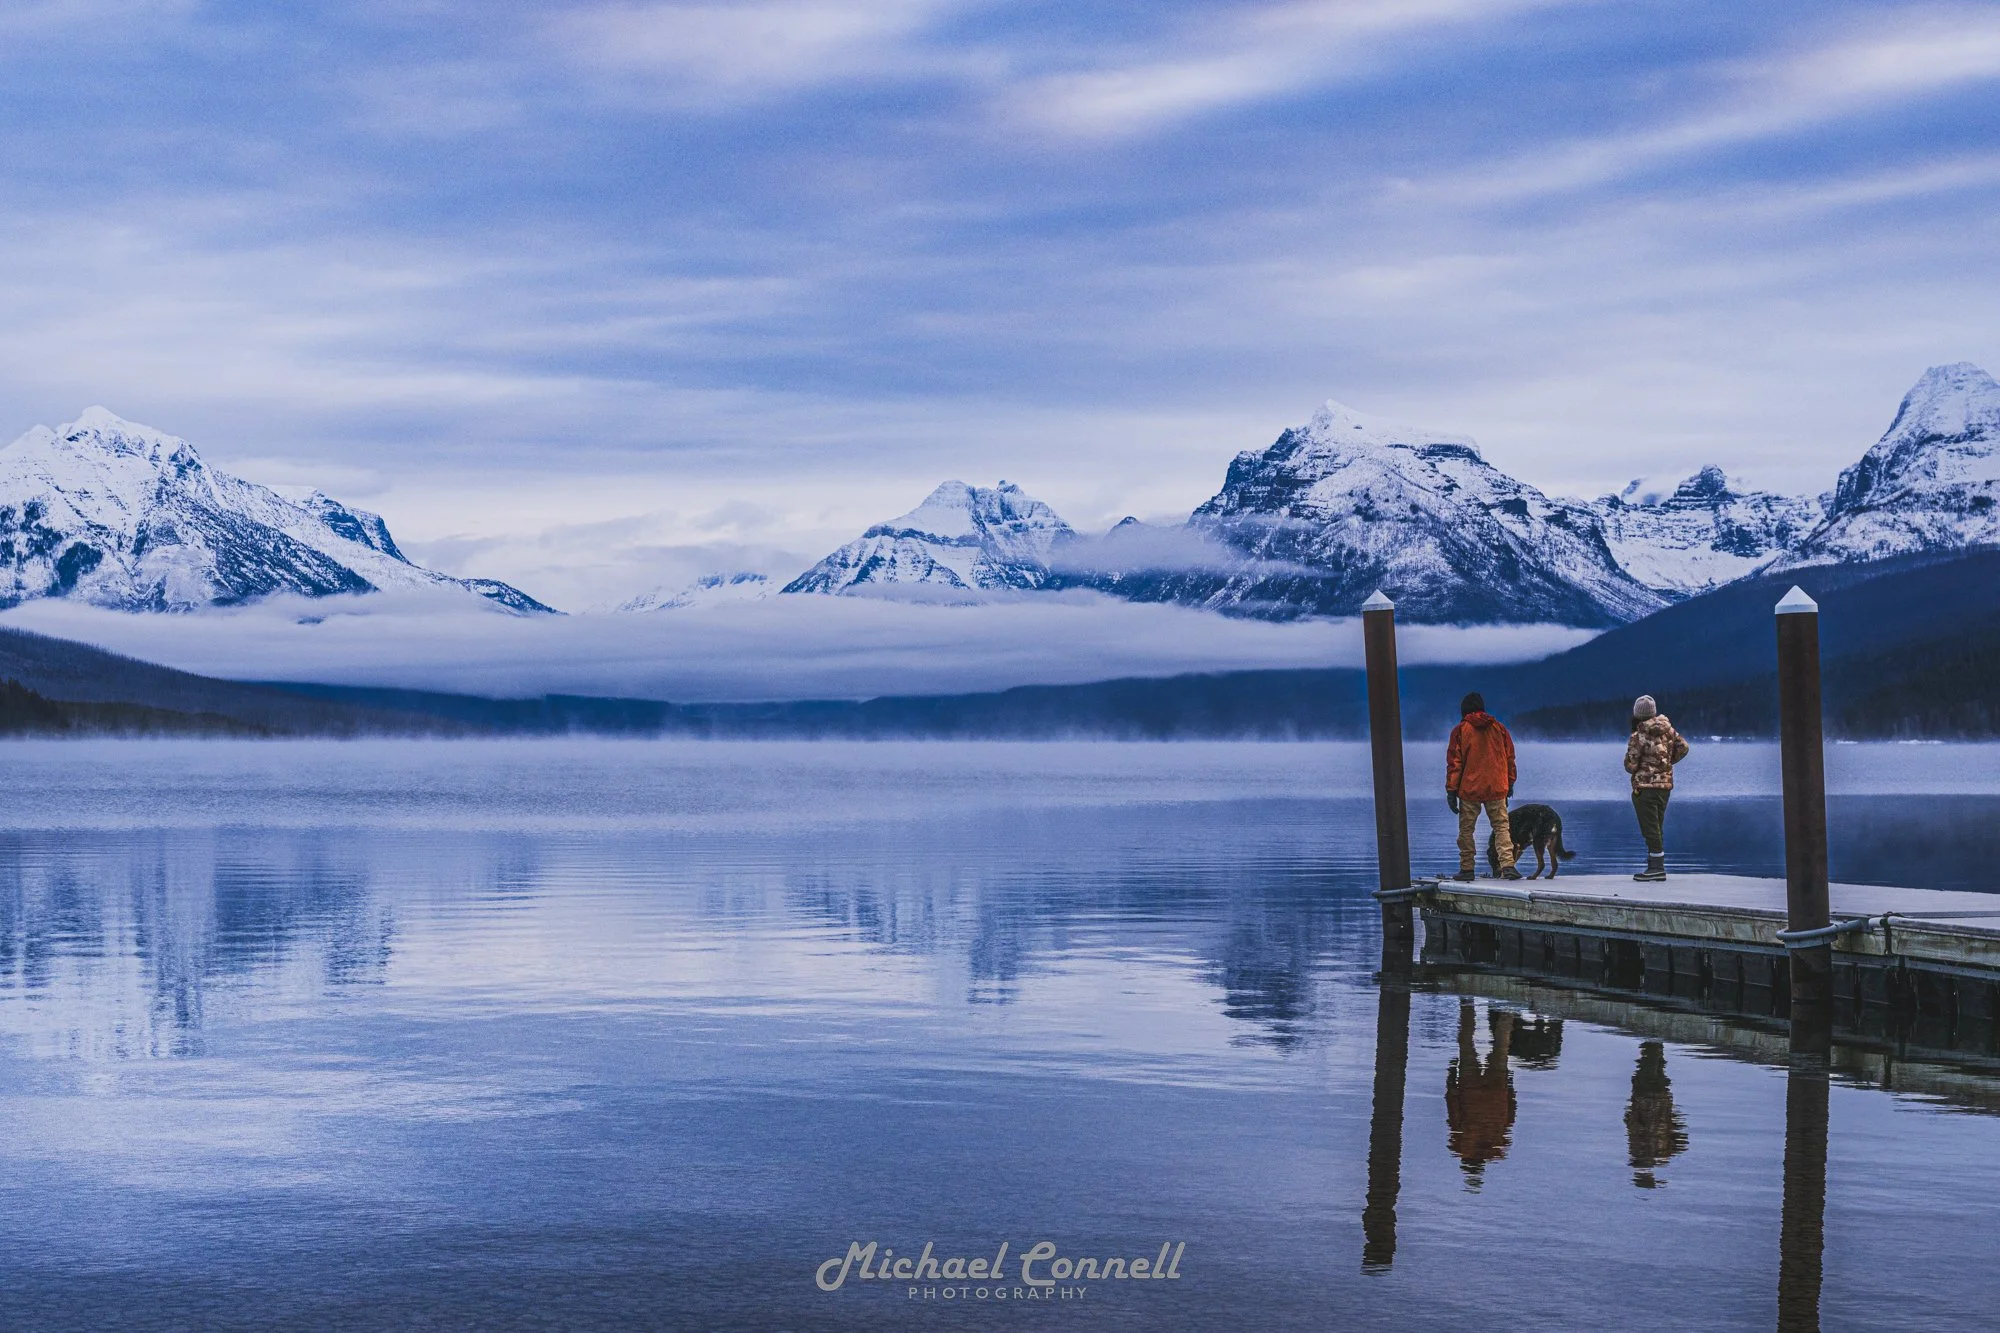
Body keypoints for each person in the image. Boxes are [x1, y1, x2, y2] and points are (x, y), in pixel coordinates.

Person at [1445, 691, 1518, 882]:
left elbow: (1455, 763)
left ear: (1464, 710)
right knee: (1502, 827)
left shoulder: (1460, 731)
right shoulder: (1499, 728)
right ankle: (1508, 865)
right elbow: (1509, 758)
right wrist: (1509, 782)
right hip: (1496, 787)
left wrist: (1451, 791)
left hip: (1470, 789)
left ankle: (1467, 868)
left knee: (1467, 831)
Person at [1624, 694, 1690, 882]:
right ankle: (1655, 866)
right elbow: (1684, 747)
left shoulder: (1638, 735)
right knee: (1657, 826)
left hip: (1644, 787)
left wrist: (1637, 765)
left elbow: (1631, 765)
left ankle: (1656, 868)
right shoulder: (1669, 731)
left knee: (1649, 828)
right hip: (1665, 786)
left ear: (1637, 714)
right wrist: (1667, 763)